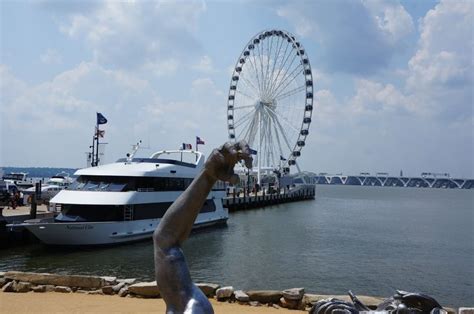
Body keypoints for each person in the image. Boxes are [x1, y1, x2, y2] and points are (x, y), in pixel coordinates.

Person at [153, 141, 252, 314]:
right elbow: (165, 237)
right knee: (165, 241)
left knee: (165, 241)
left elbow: (164, 237)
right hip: (186, 304)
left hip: (191, 305)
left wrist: (208, 175)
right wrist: (208, 176)